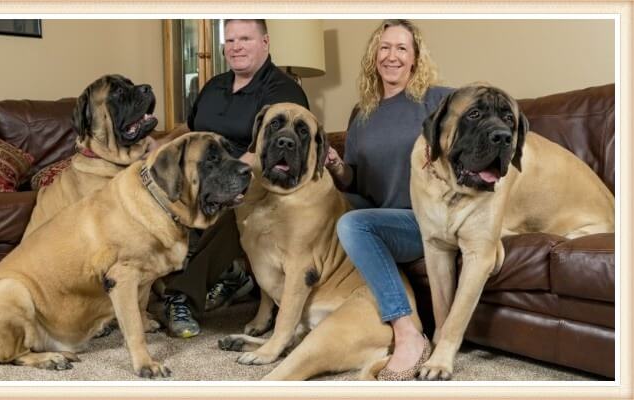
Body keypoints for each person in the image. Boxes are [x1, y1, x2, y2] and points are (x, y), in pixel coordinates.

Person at [151, 19, 309, 338]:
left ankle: (181, 297)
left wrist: (227, 177)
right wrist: (161, 144)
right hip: (199, 177)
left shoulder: (284, 91)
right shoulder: (214, 84)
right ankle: (233, 275)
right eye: (230, 40)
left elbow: (268, 151)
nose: (235, 46)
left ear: (265, 42)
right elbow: (190, 127)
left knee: (235, 203)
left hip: (253, 180)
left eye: (245, 39)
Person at [325, 20, 453, 380]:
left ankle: (407, 331)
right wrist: (336, 165)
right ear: (374, 55)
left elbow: (482, 121)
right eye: (384, 47)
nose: (391, 56)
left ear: (415, 58)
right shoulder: (360, 113)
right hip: (381, 217)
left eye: (401, 49)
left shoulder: (436, 99)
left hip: (424, 220)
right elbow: (356, 180)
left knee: (353, 224)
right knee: (332, 209)